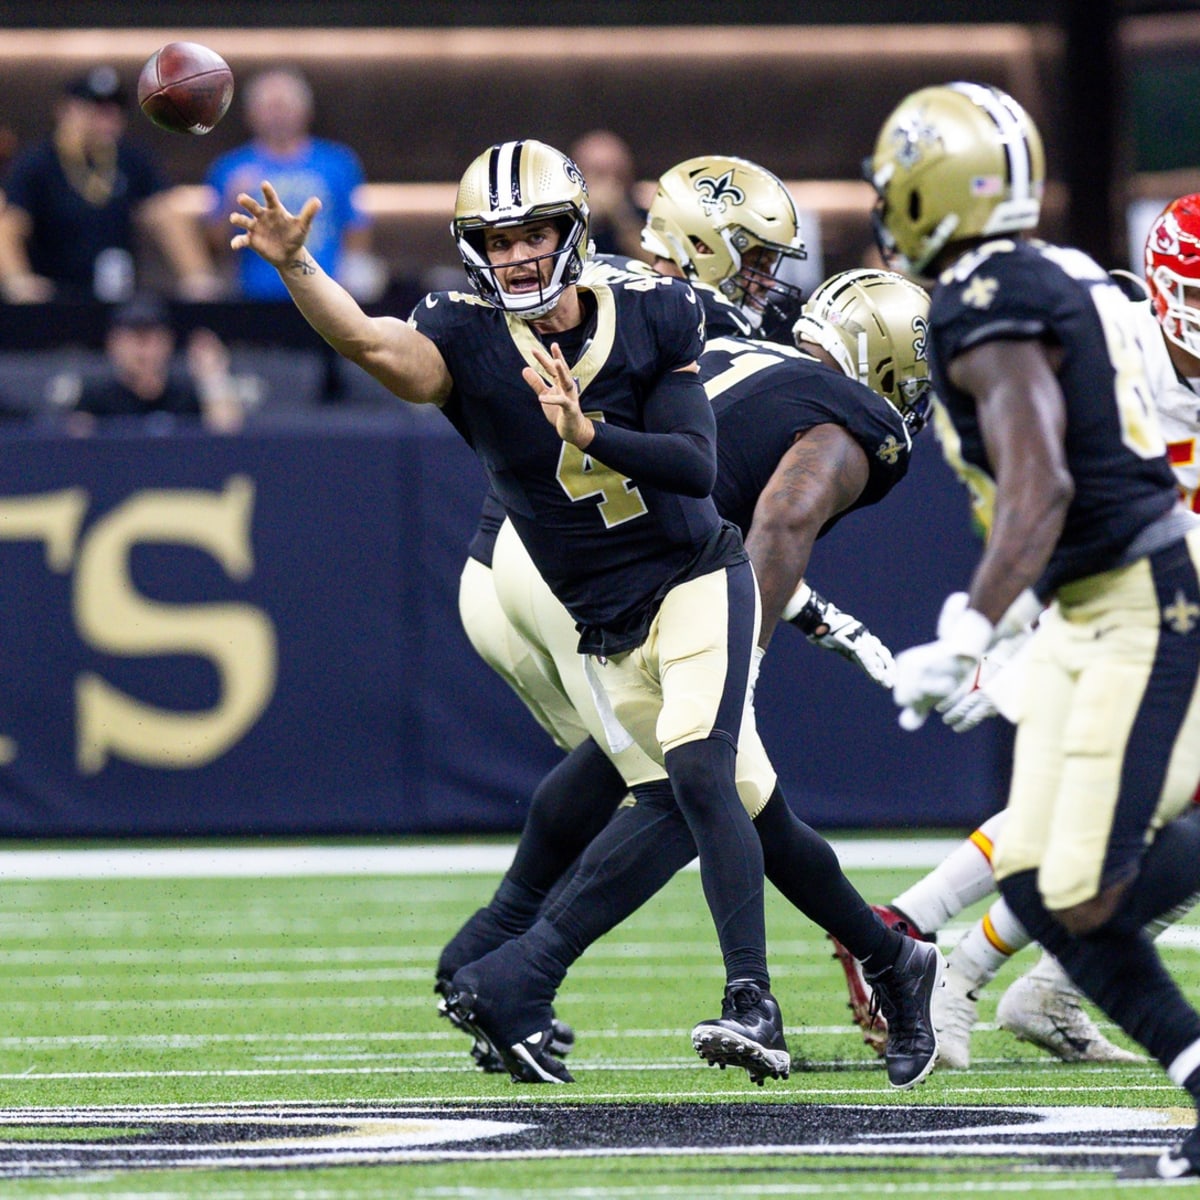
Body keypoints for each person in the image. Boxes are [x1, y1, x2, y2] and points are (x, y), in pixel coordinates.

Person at [230, 135, 793, 1083]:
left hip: (692, 574)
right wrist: (297, 268)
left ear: (572, 231)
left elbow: (696, 467)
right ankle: (504, 969)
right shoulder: (464, 330)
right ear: (471, 252)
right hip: (592, 612)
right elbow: (374, 343)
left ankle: (742, 996)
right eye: (497, 241)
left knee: (691, 769)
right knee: (654, 783)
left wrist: (591, 430)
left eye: (534, 234)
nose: (518, 256)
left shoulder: (654, 309)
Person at [437, 156, 942, 1092]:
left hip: (517, 554)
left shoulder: (678, 322)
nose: (761, 288)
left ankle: (505, 954)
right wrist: (741, 648)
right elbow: (776, 518)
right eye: (752, 264)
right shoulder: (833, 404)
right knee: (690, 779)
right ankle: (527, 967)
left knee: (701, 781)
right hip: (604, 567)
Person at [867, 82, 1200, 1180]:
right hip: (1093, 594)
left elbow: (1044, 481)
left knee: (1079, 895)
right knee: (1042, 890)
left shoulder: (985, 294)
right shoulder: (1052, 269)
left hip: (1129, 595)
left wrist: (972, 621)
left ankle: (940, 945)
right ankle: (935, 945)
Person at [0, 66, 221, 304]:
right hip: (56, 297)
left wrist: (196, 274)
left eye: (113, 111)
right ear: (67, 110)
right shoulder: (37, 163)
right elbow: (9, 226)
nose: (107, 119)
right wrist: (17, 279)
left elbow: (165, 214)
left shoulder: (131, 159)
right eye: (95, 110)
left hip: (119, 298)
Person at [206, 68, 381, 303]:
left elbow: (357, 226)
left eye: (284, 105)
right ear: (250, 114)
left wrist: (352, 276)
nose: (277, 115)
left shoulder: (338, 162)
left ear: (306, 111)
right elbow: (213, 245)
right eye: (269, 107)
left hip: (326, 295)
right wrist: (230, 202)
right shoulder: (229, 167)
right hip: (255, 297)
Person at [53, 292, 242, 434]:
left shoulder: (186, 395)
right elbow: (74, 449)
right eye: (133, 340)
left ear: (168, 343)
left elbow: (226, 435)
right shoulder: (96, 397)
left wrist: (213, 378)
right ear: (113, 345)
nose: (142, 351)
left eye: (151, 339)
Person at [567, 130, 647, 262]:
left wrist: (621, 216)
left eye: (617, 174)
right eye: (598, 174)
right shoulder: (561, 215)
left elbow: (656, 266)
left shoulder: (643, 215)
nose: (608, 184)